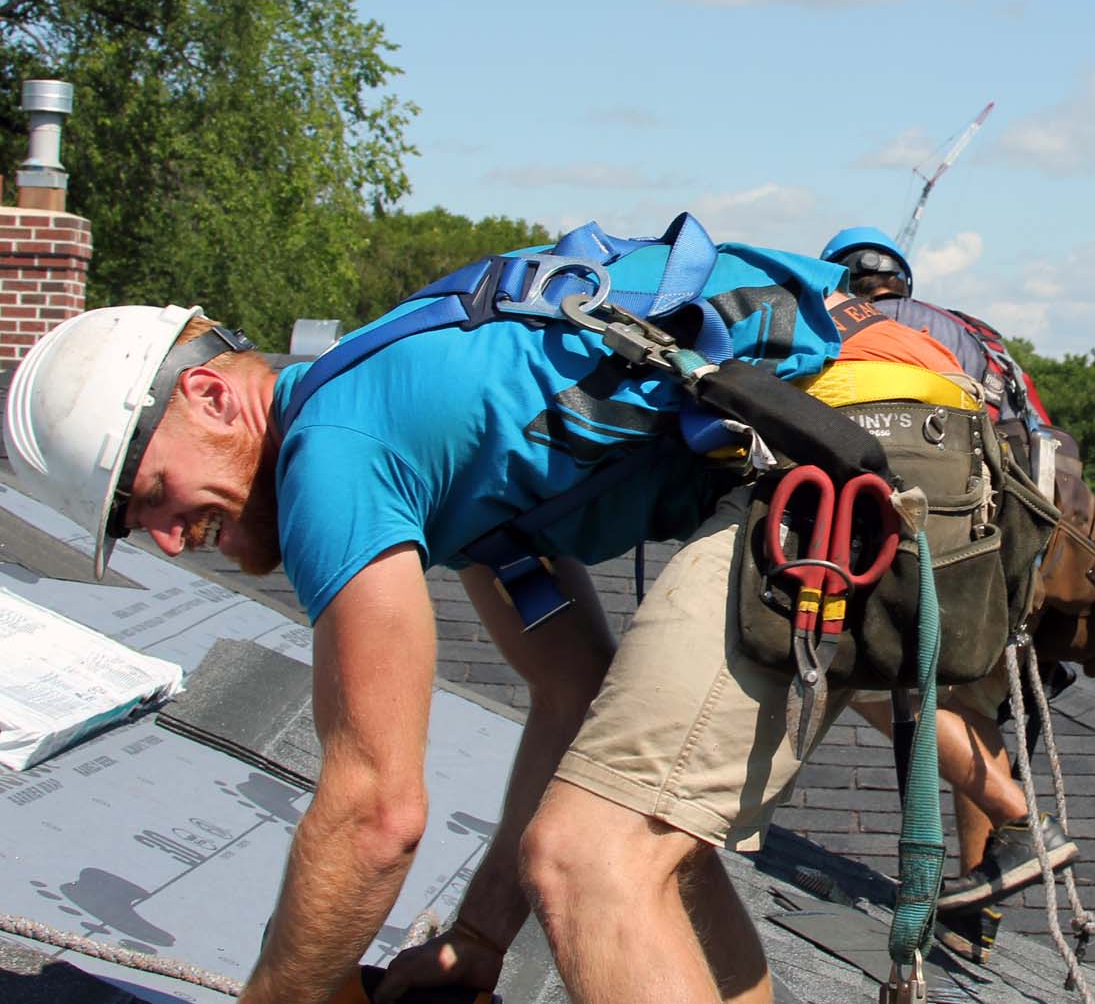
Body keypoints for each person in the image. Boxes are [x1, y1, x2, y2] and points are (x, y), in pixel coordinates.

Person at [4, 216, 1022, 1004]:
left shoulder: (334, 456)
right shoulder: (435, 456)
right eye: (140, 532)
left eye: (149, 497)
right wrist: (478, 942)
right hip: (879, 440)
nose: (172, 540)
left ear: (212, 398)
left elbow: (373, 817)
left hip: (851, 445)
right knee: (648, 847)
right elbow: (572, 694)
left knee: (588, 857)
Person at [819, 227, 1080, 918]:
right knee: (968, 702)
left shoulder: (866, 331)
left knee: (857, 664)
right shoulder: (977, 333)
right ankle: (981, 896)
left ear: (843, 282)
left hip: (959, 538)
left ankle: (1016, 823)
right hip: (1030, 545)